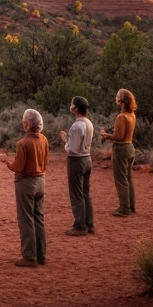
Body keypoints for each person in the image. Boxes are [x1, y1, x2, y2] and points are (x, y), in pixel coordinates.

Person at [1, 108, 48, 266]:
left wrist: (7, 161)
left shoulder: (22, 143)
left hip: (26, 183)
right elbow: (45, 162)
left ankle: (29, 257)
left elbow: (18, 167)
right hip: (40, 180)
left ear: (26, 124)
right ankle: (41, 255)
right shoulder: (44, 140)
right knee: (38, 218)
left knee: (26, 219)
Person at [57, 96, 94, 236]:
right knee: (85, 193)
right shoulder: (88, 123)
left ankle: (80, 226)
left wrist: (65, 139)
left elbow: (72, 149)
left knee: (76, 193)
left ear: (76, 108)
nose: (70, 106)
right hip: (87, 158)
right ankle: (89, 223)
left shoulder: (76, 126)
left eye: (72, 104)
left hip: (76, 161)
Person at [99, 88, 138, 216]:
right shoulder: (132, 115)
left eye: (118, 96)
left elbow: (119, 136)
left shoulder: (121, 117)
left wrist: (105, 135)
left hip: (121, 149)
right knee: (128, 177)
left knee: (121, 179)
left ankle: (124, 209)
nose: (116, 98)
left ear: (122, 100)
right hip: (130, 147)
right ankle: (131, 206)